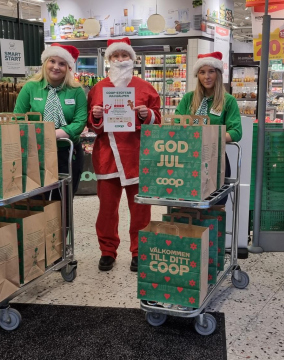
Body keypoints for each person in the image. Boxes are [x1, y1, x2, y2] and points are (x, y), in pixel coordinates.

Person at [87, 38, 161, 272]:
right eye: (115, 56)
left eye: (124, 56)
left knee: (140, 208)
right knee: (107, 209)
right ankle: (107, 250)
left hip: (137, 156)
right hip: (107, 157)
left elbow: (157, 120)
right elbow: (93, 125)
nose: (120, 60)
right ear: (108, 60)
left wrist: (145, 114)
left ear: (132, 59)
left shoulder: (146, 88)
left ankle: (140, 251)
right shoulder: (98, 88)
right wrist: (96, 115)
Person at [14, 43, 87, 198]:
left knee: (64, 200)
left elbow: (80, 122)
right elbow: (18, 118)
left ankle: (62, 223)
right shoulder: (30, 88)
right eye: (52, 61)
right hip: (35, 153)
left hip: (67, 153)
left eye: (62, 63)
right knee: (37, 199)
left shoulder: (76, 91)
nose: (56, 67)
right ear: (45, 62)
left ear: (68, 67)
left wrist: (52, 134)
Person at [175, 51, 242, 204]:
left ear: (218, 73)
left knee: (215, 207)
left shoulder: (228, 101)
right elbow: (176, 123)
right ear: (197, 76)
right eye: (202, 72)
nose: (207, 76)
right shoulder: (188, 99)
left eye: (211, 71)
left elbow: (236, 132)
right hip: (187, 158)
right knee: (187, 205)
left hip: (215, 160)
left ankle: (212, 228)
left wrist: (208, 136)